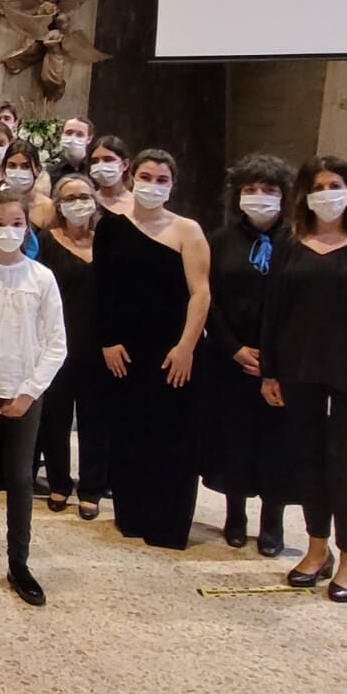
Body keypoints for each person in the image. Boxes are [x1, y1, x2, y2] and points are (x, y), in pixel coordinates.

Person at [262, 156, 347, 602]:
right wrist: (269, 370)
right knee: (307, 457)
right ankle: (317, 548)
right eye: (317, 186)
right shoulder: (290, 240)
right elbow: (273, 309)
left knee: (345, 459)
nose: (326, 194)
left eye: (334, 185)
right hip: (299, 364)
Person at [94, 149, 210, 550]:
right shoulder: (111, 228)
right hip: (126, 349)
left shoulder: (187, 230)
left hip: (173, 349)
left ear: (172, 186)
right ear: (132, 178)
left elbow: (201, 293)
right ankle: (133, 514)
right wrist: (107, 340)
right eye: (146, 177)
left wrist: (187, 346)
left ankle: (167, 524)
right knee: (129, 431)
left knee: (173, 436)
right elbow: (102, 288)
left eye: (162, 180)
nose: (153, 185)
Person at [0, 191, 67, 606]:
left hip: (24, 392)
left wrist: (30, 390)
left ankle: (19, 562)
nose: (8, 231)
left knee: (20, 478)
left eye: (16, 223)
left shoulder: (41, 277)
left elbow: (56, 343)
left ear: (27, 228)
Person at [201, 154, 298, 555]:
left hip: (283, 362)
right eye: (251, 189)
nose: (259, 196)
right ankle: (235, 515)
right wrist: (234, 349)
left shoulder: (298, 243)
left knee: (277, 443)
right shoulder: (219, 241)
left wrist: (276, 357)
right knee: (234, 438)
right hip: (232, 357)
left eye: (269, 189)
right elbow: (207, 300)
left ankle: (272, 520)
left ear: (284, 196)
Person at [35, 174, 109, 518]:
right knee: (55, 418)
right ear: (58, 205)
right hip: (57, 343)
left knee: (96, 418)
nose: (78, 203)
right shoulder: (45, 242)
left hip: (100, 345)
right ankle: (59, 482)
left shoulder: (107, 241)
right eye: (69, 198)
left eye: (84, 196)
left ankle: (92, 488)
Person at [88, 135, 132, 214]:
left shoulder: (138, 203)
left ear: (125, 164)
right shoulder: (88, 203)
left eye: (108, 160)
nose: (100, 165)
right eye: (95, 161)